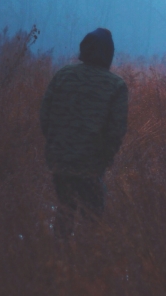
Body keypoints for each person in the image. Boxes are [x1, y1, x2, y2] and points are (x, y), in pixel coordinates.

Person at [40, 28, 128, 238]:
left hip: (59, 159)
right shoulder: (116, 85)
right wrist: (104, 159)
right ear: (108, 53)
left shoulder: (63, 74)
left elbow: (45, 115)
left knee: (65, 209)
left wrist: (56, 145)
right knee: (93, 218)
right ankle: (86, 255)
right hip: (91, 165)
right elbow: (116, 131)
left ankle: (59, 253)